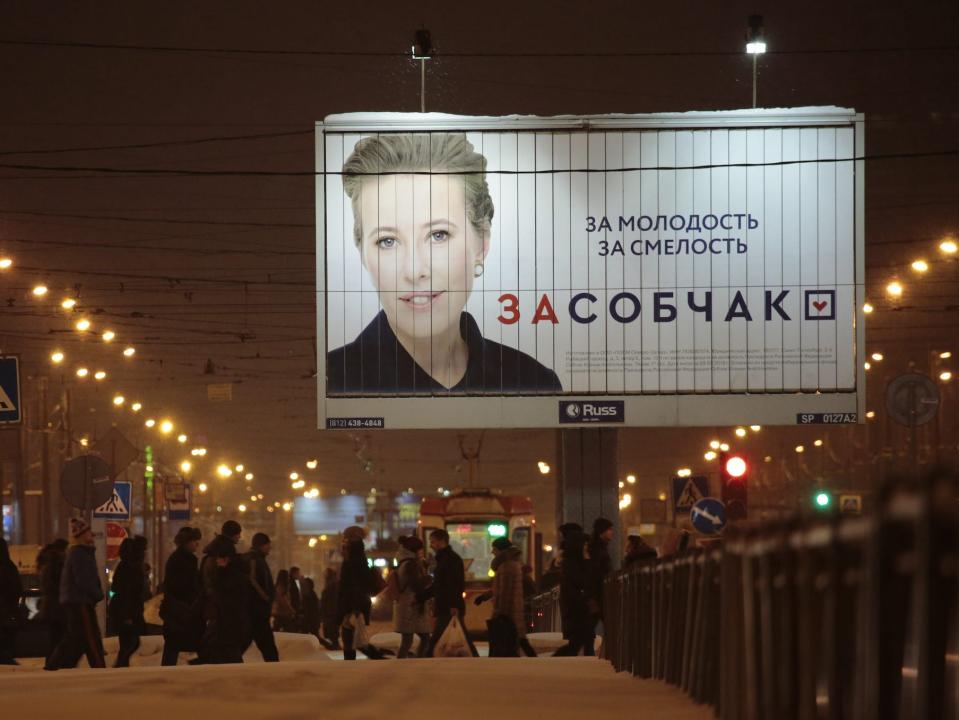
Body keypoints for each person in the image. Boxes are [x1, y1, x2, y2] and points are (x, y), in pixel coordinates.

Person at [327, 133, 563, 396]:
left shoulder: (534, 381)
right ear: (362, 253)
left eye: (439, 235)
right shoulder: (330, 382)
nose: (414, 270)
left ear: (482, 242)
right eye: (387, 241)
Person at [45, 518, 106, 669]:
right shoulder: (79, 553)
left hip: (78, 601)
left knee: (76, 637)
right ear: (81, 535)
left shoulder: (80, 552)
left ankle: (57, 665)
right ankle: (99, 667)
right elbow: (84, 579)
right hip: (80, 602)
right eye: (88, 532)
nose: (91, 534)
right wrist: (97, 594)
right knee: (90, 636)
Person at [418, 528, 478, 657]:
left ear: (441, 541)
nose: (431, 545)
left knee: (438, 636)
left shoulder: (449, 560)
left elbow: (454, 585)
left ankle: (425, 658)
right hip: (447, 604)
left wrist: (454, 605)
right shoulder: (445, 559)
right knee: (460, 634)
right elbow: (440, 585)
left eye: (433, 541)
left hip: (449, 606)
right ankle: (474, 656)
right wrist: (423, 596)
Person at [477, 537, 535, 657]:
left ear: (500, 550)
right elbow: (500, 587)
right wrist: (485, 596)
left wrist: (500, 613)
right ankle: (532, 659)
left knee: (510, 638)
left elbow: (504, 591)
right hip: (513, 609)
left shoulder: (506, 565)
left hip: (509, 610)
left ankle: (530, 659)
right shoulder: (510, 563)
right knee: (519, 638)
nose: (492, 552)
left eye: (494, 549)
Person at [160, 526, 202, 666]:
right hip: (180, 608)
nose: (197, 544)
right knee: (177, 641)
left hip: (178, 608)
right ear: (186, 542)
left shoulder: (179, 558)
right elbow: (182, 585)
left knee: (174, 643)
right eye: (194, 541)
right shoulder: (183, 560)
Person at [337, 538, 383, 660]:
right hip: (358, 605)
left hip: (352, 605)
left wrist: (352, 608)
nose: (344, 550)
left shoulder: (350, 564)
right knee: (355, 635)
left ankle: (357, 659)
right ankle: (373, 656)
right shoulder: (363, 563)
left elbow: (350, 587)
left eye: (346, 547)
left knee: (350, 636)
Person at [205, 535, 248, 664]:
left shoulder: (228, 575)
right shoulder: (235, 573)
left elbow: (224, 595)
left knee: (228, 650)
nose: (217, 561)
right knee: (228, 650)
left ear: (226, 559)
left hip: (227, 619)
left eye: (219, 559)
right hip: (229, 619)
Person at [109, 536, 147, 667]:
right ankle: (120, 664)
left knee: (128, 641)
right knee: (131, 642)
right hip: (127, 610)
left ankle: (121, 664)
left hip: (125, 609)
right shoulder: (131, 568)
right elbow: (128, 592)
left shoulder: (125, 566)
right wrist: (128, 615)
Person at [553, 529, 592, 656]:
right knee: (577, 642)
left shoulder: (571, 560)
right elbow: (581, 580)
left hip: (576, 605)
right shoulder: (572, 562)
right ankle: (554, 660)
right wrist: (587, 561)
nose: (586, 547)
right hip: (575, 606)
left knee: (581, 640)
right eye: (584, 544)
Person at [391, 535, 432, 658]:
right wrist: (429, 578)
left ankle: (407, 663)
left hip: (405, 604)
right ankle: (411, 663)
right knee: (421, 638)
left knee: (410, 639)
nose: (421, 552)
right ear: (415, 550)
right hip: (411, 605)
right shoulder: (411, 564)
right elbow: (416, 585)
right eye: (420, 549)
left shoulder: (403, 562)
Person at [243, 532, 278, 662]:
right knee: (267, 644)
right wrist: (266, 598)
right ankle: (274, 668)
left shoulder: (257, 558)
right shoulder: (254, 559)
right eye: (268, 544)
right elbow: (254, 581)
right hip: (258, 609)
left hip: (255, 609)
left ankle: (227, 660)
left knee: (246, 640)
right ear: (261, 545)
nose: (270, 547)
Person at [585, 517, 615, 654]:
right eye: (609, 529)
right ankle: (606, 653)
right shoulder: (597, 549)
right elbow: (595, 573)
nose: (612, 532)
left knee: (593, 624)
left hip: (601, 593)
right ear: (601, 531)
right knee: (600, 624)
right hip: (599, 593)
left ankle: (592, 652)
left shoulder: (598, 548)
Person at [37, 539, 68, 666]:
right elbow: (55, 586)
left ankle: (52, 663)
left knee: (56, 637)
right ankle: (52, 663)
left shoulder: (49, 564)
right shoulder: (56, 564)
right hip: (57, 607)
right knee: (58, 637)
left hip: (52, 607)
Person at [0, 537, 23, 665]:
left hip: (5, 613)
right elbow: (17, 589)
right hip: (8, 613)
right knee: (6, 644)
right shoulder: (9, 567)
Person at [318, 567, 340, 650]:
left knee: (331, 629)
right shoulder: (332, 585)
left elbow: (328, 599)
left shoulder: (333, 586)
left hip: (331, 611)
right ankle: (335, 644)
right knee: (330, 630)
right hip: (331, 611)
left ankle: (335, 645)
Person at [301, 577, 322, 641]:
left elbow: (309, 609)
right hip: (312, 620)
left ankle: (330, 646)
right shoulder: (311, 594)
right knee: (314, 636)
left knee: (316, 637)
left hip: (311, 620)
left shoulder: (308, 595)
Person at [288, 566, 303, 630]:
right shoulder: (292, 583)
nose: (299, 575)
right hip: (293, 608)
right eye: (298, 573)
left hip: (293, 608)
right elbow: (294, 596)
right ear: (293, 573)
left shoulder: (292, 582)